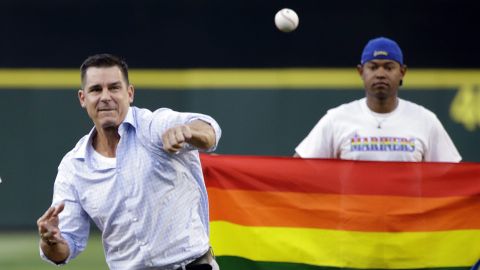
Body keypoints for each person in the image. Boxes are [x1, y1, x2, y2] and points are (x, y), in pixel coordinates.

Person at [36, 53, 222, 270]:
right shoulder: (74, 167)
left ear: (129, 93)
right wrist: (50, 240)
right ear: (82, 98)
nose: (105, 97)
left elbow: (210, 131)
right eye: (96, 89)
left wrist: (189, 132)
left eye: (114, 88)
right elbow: (64, 249)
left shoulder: (153, 127)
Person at [294, 37, 461, 162]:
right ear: (361, 72)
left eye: (389, 67)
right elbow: (297, 169)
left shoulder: (425, 120)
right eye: (373, 67)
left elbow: (452, 177)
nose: (380, 74)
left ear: (402, 72)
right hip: (354, 210)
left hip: (406, 209)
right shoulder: (337, 119)